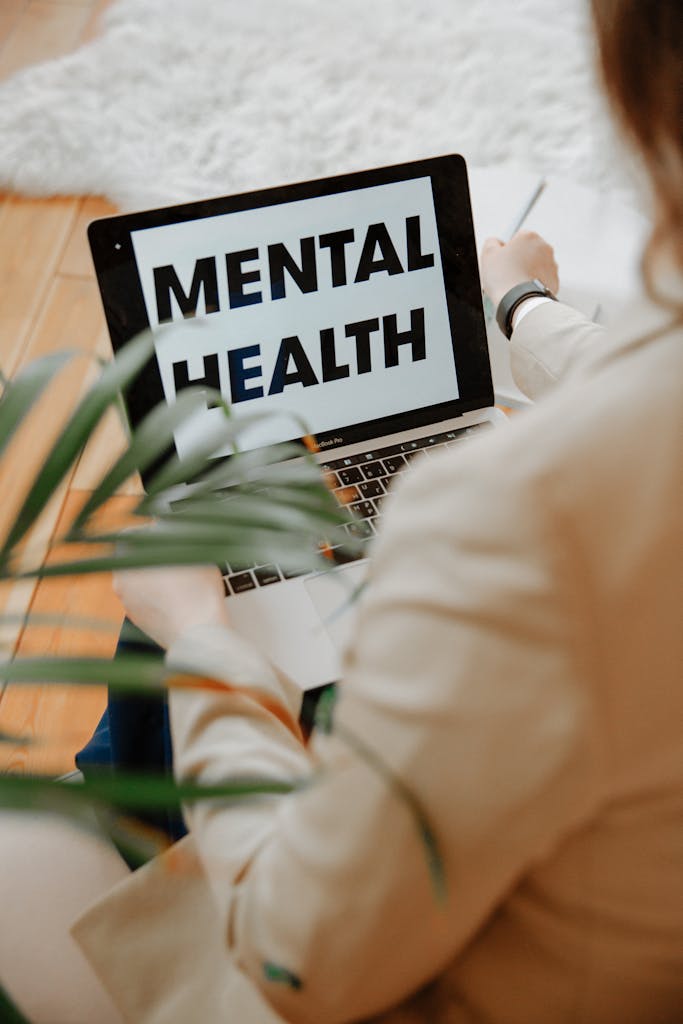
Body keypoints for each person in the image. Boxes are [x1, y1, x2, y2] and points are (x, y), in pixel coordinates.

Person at [1, 1, 681, 1021]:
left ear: (635, 94)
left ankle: (128, 816)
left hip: (428, 978)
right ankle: (142, 796)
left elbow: (298, 958)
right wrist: (517, 310)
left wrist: (198, 634)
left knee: (178, 613)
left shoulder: (505, 519)